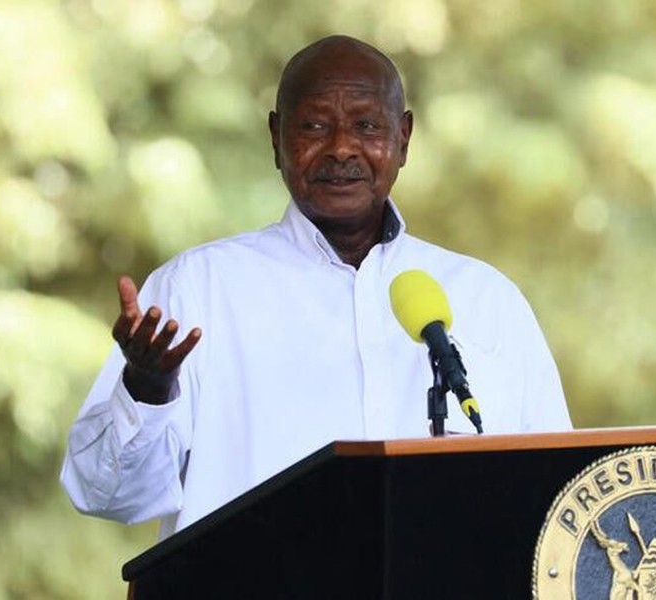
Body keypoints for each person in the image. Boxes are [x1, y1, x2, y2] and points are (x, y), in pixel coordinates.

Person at [60, 35, 572, 539]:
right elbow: (103, 495)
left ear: (404, 138)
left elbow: (558, 499)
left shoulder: (487, 299)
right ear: (277, 138)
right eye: (314, 126)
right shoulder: (195, 291)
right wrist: (146, 390)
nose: (342, 147)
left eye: (367, 125)